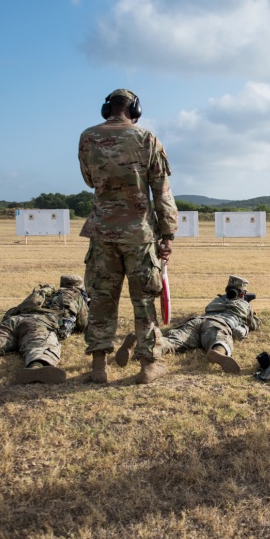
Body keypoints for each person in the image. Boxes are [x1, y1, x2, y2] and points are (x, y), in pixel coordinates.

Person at [79, 88, 178, 385]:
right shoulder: (147, 139)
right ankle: (148, 366)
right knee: (144, 301)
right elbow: (161, 190)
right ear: (135, 110)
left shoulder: (87, 137)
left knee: (101, 299)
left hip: (102, 232)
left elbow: (89, 180)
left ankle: (99, 366)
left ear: (106, 108)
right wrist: (168, 234)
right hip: (140, 235)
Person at [114, 275, 261, 373]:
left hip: (196, 321)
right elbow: (254, 324)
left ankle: (140, 344)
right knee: (219, 339)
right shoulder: (244, 305)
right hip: (219, 324)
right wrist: (252, 315)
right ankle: (218, 353)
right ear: (243, 294)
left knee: (173, 342)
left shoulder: (217, 300)